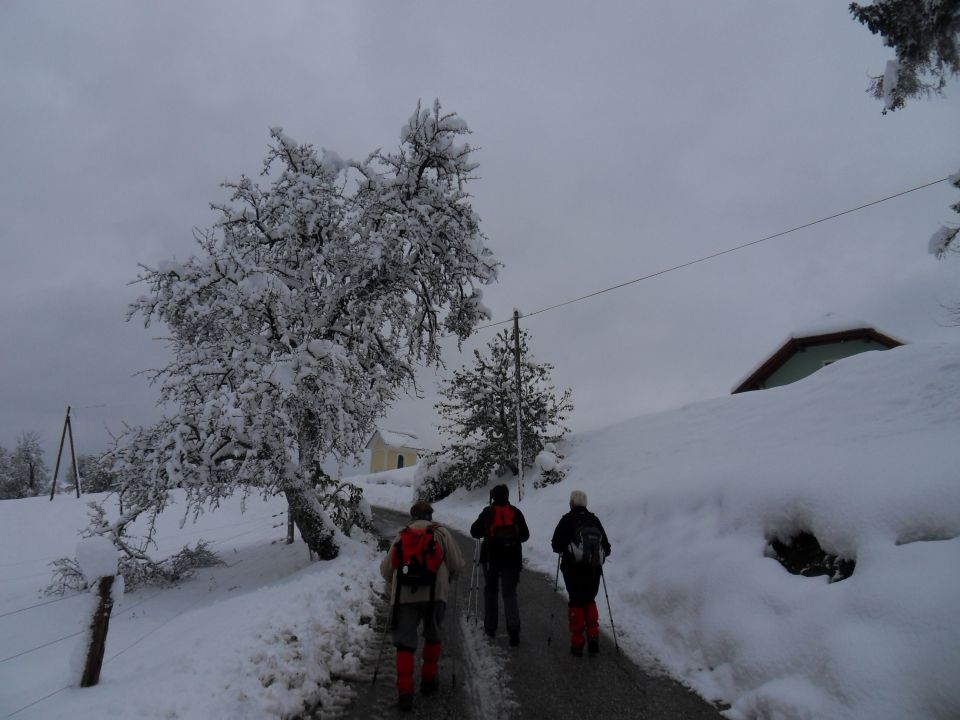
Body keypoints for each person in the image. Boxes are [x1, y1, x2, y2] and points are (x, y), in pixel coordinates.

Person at [380, 500, 464, 712]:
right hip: (436, 595)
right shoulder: (441, 533)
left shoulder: (403, 534)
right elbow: (457, 565)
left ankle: (406, 692)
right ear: (430, 515)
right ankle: (428, 680)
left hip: (405, 597)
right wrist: (450, 575)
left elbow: (386, 570)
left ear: (412, 515)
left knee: (405, 644)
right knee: (432, 635)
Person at [550, 489, 612, 657]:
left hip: (573, 570)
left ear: (571, 503)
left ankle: (577, 643)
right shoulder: (594, 519)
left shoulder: (567, 519)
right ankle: (593, 634)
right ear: (585, 503)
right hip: (593, 569)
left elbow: (556, 545)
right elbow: (607, 548)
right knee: (589, 599)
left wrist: (566, 549)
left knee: (576, 601)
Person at [469, 483, 530, 645]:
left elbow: (474, 531)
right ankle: (514, 629)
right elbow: (525, 536)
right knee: (509, 594)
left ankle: (490, 627)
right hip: (512, 559)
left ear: (493, 497)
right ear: (507, 495)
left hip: (491, 558)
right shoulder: (515, 512)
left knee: (491, 592)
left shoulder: (488, 512)